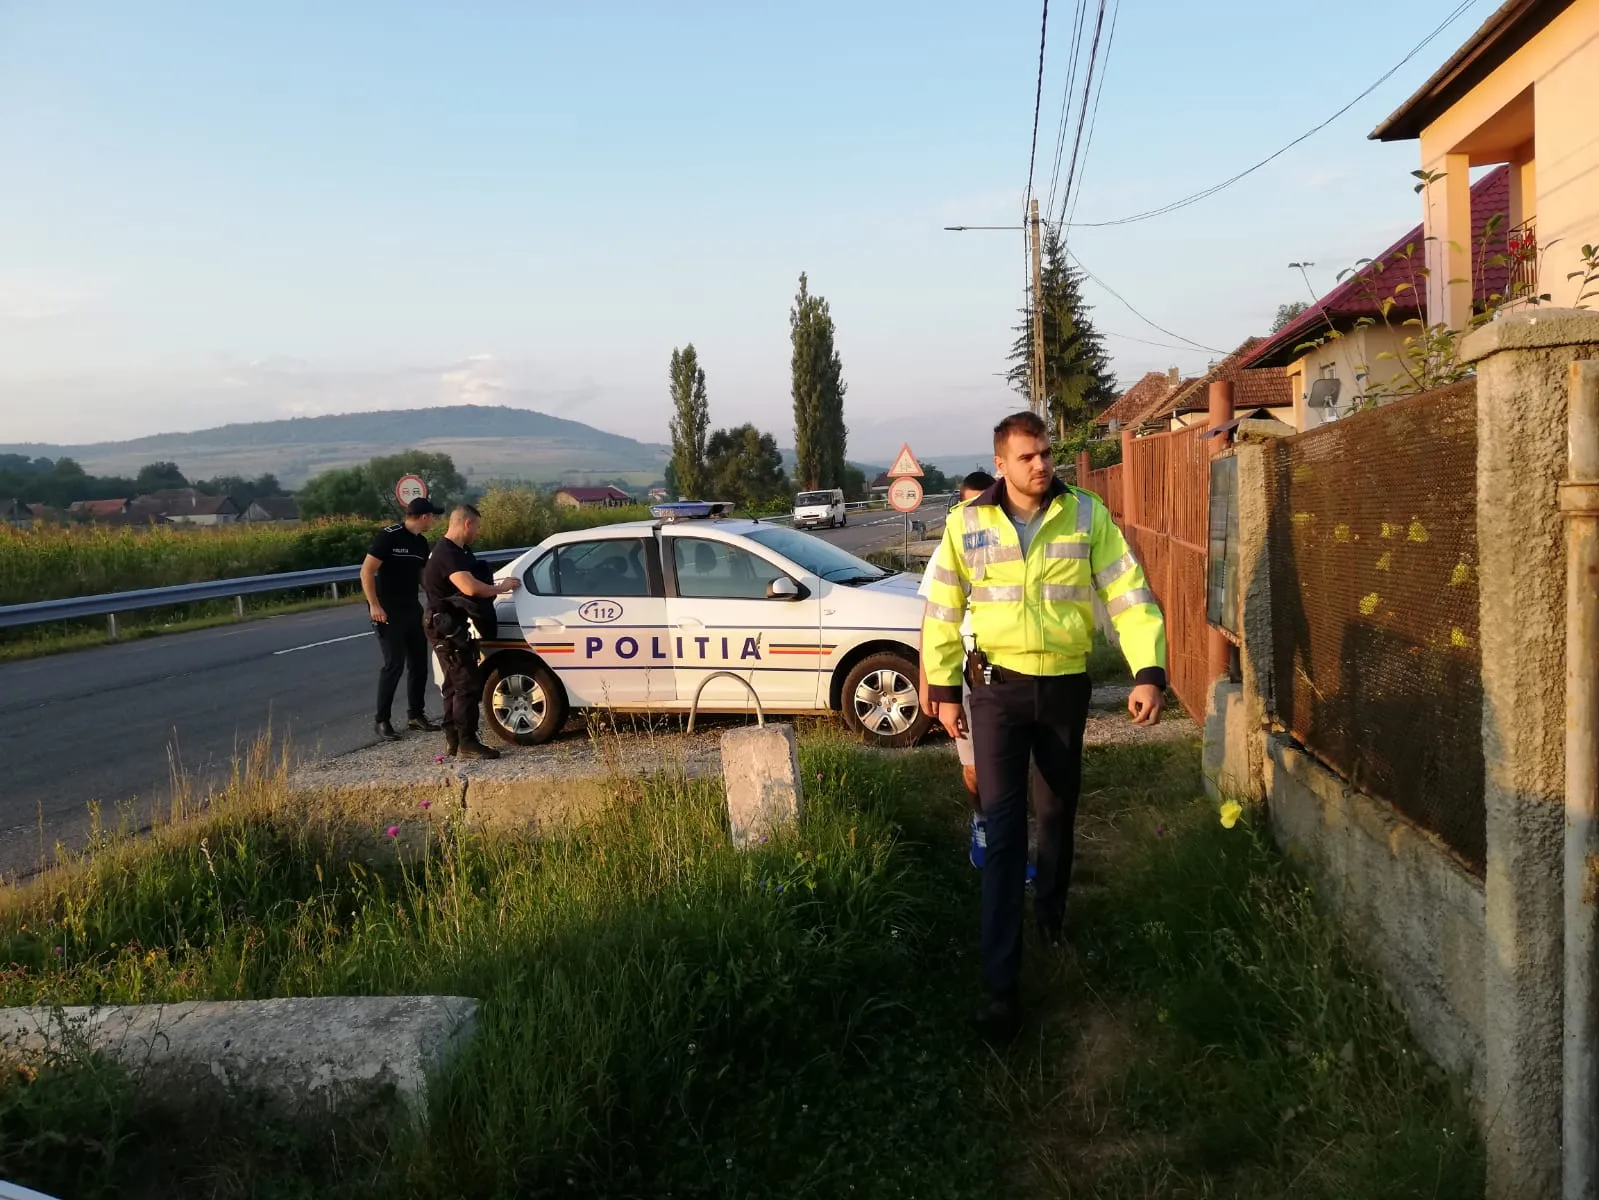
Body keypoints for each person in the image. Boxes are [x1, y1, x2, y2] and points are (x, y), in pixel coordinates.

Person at [921, 411, 1167, 1041]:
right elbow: (943, 610)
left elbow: (1128, 593)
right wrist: (942, 688)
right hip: (995, 693)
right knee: (1004, 830)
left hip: (1063, 689)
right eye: (1027, 457)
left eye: (1046, 454)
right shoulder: (966, 523)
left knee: (1056, 813)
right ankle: (1001, 988)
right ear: (1000, 463)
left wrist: (1147, 670)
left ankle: (1050, 919)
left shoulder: (1085, 514)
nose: (1040, 465)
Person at [423, 504, 521, 760]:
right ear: (466, 524)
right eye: (476, 527)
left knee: (453, 684)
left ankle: (454, 739)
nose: (477, 532)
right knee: (466, 683)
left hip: (448, 623)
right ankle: (467, 742)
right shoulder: (447, 553)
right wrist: (501, 588)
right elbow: (470, 588)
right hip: (445, 626)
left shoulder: (459, 551)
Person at [361, 496, 445, 742]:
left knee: (419, 664)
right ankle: (382, 720)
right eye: (432, 516)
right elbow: (366, 571)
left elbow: (422, 576)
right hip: (387, 609)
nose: (433, 521)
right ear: (424, 517)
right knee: (394, 664)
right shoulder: (389, 536)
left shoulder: (421, 542)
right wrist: (374, 605)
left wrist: (436, 597)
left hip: (411, 607)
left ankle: (416, 715)